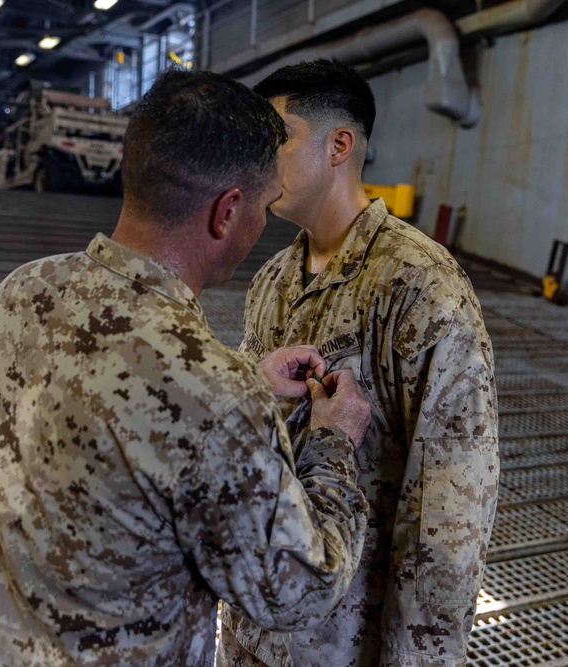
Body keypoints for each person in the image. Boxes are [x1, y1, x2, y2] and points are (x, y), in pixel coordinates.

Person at [0, 69, 373, 666]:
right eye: (263, 202)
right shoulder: (210, 390)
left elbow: (106, 420)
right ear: (227, 212)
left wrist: (246, 385)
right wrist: (333, 440)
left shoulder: (22, 293)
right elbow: (299, 590)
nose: (264, 219)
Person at [218, 59, 499, 667]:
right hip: (256, 630)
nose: (261, 163)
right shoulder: (270, 281)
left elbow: (448, 518)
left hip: (342, 646)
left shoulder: (420, 288)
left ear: (338, 145)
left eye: (277, 140)